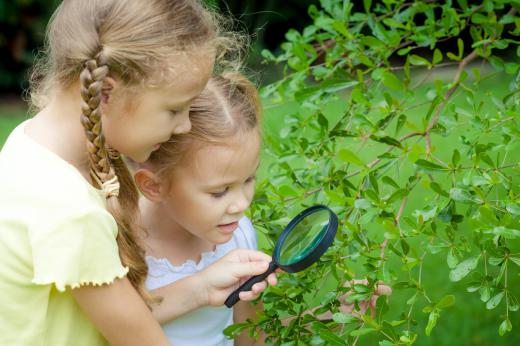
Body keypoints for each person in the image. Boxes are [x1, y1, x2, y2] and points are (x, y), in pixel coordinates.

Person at [0, 1, 275, 345]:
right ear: (105, 94)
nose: (184, 125)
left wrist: (201, 287)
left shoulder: (27, 148)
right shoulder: (69, 213)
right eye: (174, 109)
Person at [133, 72, 264, 345]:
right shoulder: (124, 246)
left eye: (248, 179)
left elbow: (250, 334)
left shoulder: (238, 236)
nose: (242, 204)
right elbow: (103, 328)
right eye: (219, 192)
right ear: (154, 186)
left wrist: (332, 314)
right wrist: (200, 288)